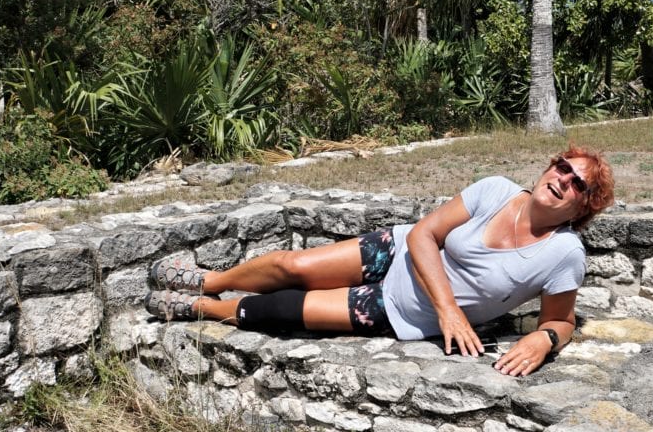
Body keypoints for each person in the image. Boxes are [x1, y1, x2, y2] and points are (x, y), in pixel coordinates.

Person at [145, 146, 614, 376]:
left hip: (402, 312)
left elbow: (562, 319)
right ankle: (210, 281)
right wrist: (450, 309)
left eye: (579, 184)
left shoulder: (563, 252)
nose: (564, 180)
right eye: (563, 168)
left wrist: (544, 342)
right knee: (294, 267)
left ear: (583, 206)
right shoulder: (496, 191)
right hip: (398, 250)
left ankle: (205, 309)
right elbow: (427, 234)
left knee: (282, 312)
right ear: (550, 166)